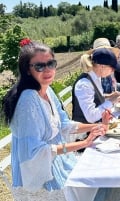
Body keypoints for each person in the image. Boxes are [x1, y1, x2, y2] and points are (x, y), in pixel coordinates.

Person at [1, 39, 110, 200]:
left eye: (51, 63)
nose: (47, 70)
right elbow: (36, 152)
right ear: (27, 70)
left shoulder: (47, 90)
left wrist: (95, 126)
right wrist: (84, 143)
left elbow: (64, 125)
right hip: (41, 176)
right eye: (39, 66)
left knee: (101, 174)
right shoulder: (28, 100)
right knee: (97, 180)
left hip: (57, 162)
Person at [72, 48, 120, 124]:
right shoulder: (84, 85)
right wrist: (111, 101)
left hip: (97, 126)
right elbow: (91, 117)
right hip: (86, 133)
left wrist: (110, 96)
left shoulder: (96, 77)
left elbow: (96, 99)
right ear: (102, 66)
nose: (113, 71)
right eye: (112, 68)